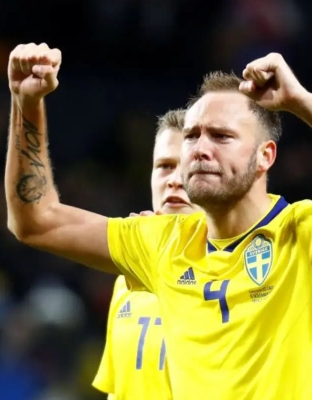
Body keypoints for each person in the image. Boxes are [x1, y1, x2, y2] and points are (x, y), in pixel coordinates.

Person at [6, 43, 312, 399]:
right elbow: (36, 221)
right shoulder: (161, 242)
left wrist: (305, 105)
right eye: (192, 136)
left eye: (221, 136)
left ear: (265, 157)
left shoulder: (307, 233)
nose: (200, 149)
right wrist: (26, 103)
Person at [93, 109, 199, 400]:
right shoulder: (126, 283)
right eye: (164, 166)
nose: (175, 180)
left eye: (189, 167)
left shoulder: (238, 277)